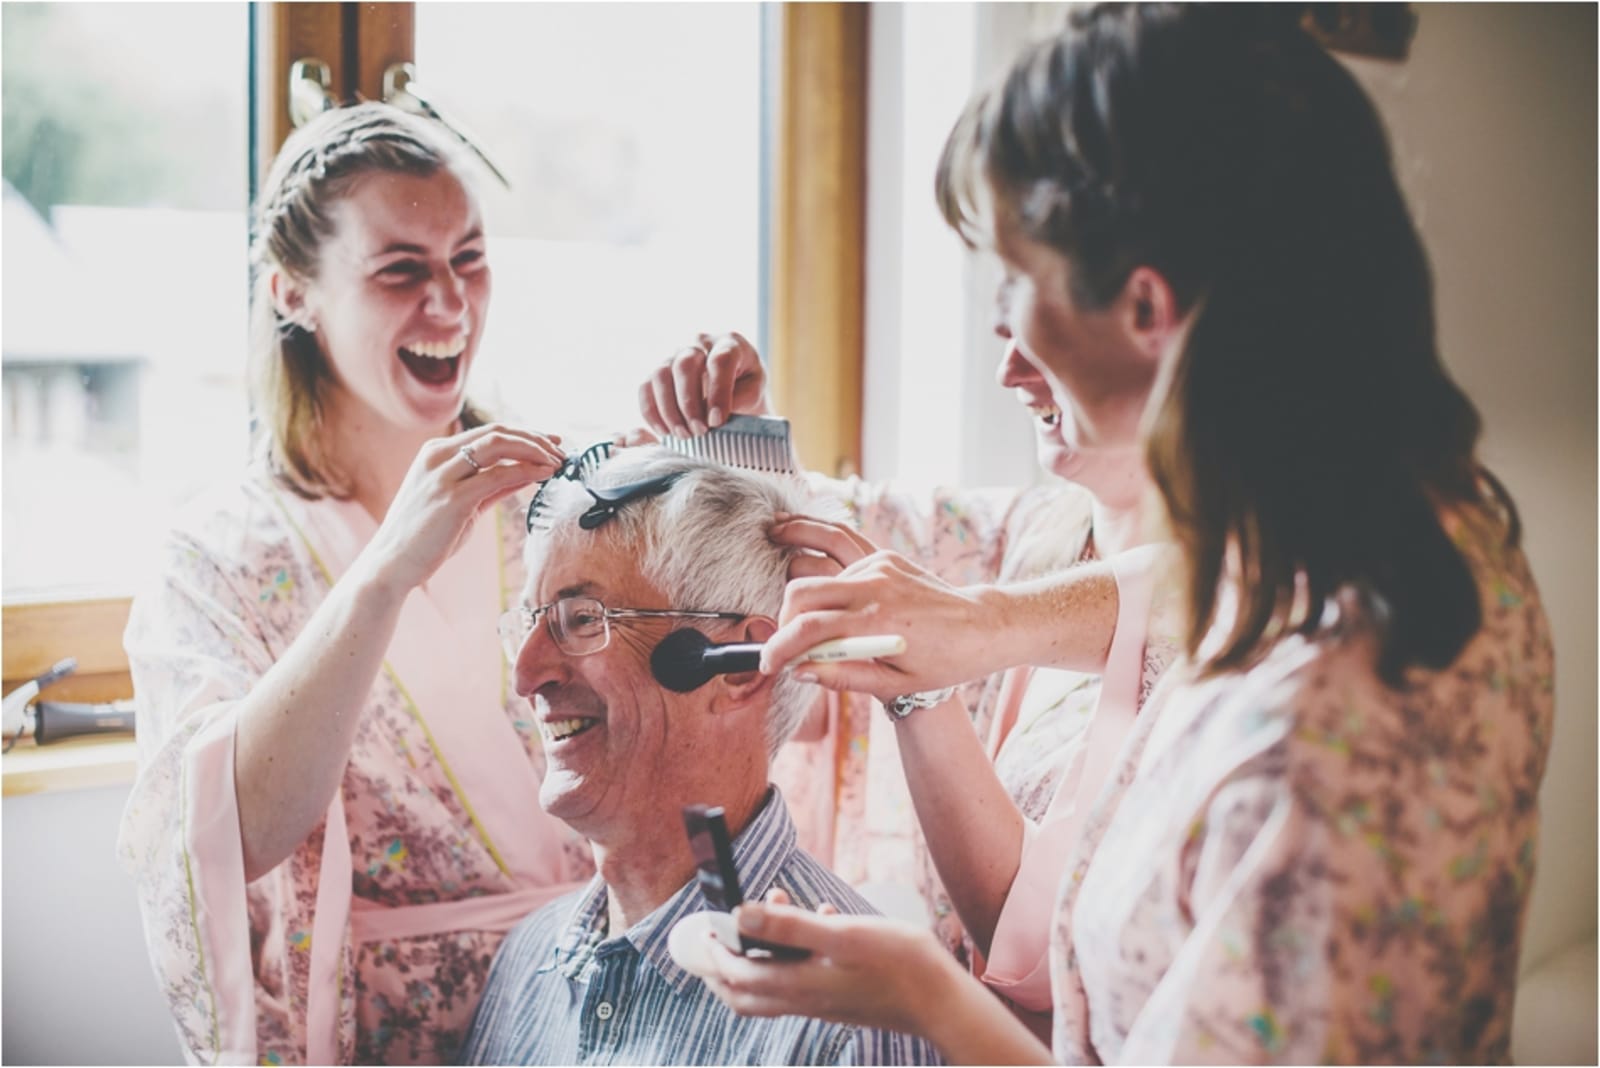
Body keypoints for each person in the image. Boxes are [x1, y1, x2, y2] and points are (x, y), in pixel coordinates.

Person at [683, 5, 1554, 1064]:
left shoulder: (1321, 741)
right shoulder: (1410, 523)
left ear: (1146, 309)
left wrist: (923, 995)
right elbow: (1154, 582)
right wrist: (983, 623)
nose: (1004, 354)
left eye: (1013, 284)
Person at [116, 102, 592, 1065]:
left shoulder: (552, 499)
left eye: (469, 258)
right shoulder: (213, 558)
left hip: (609, 999)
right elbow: (225, 833)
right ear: (294, 292)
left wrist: (735, 439)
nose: (451, 307)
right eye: (401, 270)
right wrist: (380, 577)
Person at [638, 331, 1180, 1040]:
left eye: (1045, 330)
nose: (1008, 369)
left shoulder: (1277, 624)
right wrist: (744, 436)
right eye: (1003, 330)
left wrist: (926, 680)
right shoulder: (1025, 537)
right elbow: (847, 542)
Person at [459, 446, 940, 1066]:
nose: (526, 675)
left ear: (739, 669)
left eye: (582, 619)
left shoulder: (853, 1019)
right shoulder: (525, 963)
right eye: (527, 623)